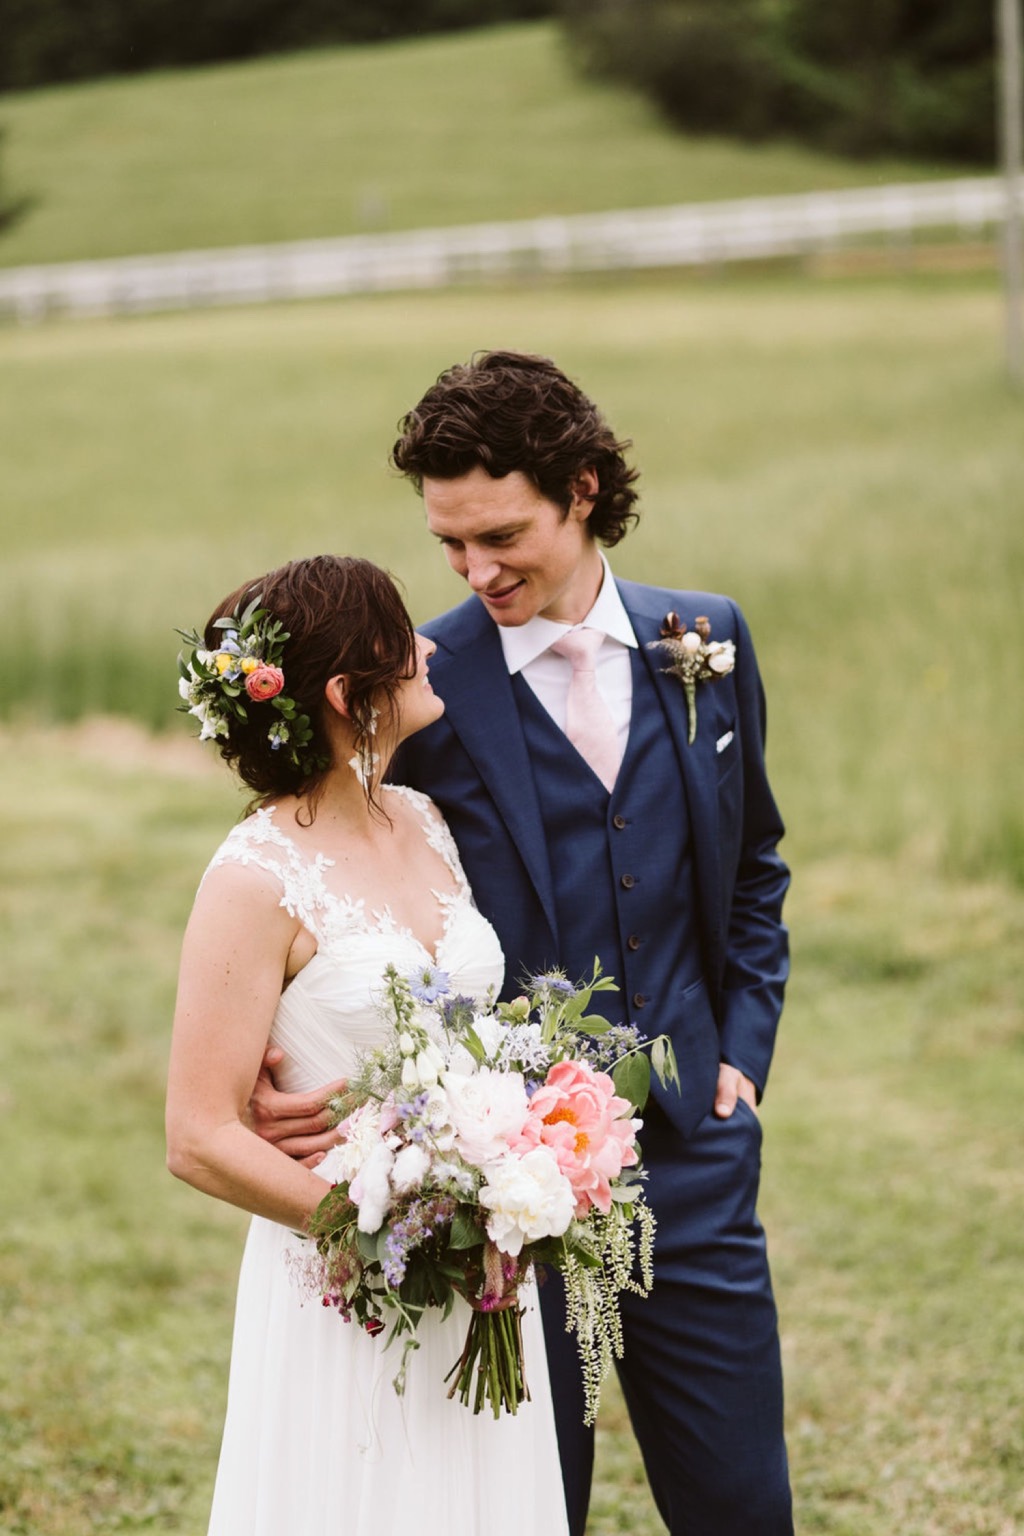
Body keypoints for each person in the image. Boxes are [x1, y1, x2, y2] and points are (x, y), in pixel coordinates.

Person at [252, 353, 793, 1536]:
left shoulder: (708, 640)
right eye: (449, 543)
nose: (474, 569)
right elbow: (293, 850)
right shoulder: (421, 690)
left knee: (742, 1505)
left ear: (582, 490)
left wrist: (740, 1055)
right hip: (498, 1183)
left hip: (697, 1165)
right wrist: (265, 1039)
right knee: (525, 1508)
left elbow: (754, 870)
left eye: (500, 534)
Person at [165, 554, 569, 1536]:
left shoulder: (426, 821)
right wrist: (380, 1231)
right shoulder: (254, 875)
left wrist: (505, 1178)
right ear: (350, 694)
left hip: (480, 1261)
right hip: (345, 1278)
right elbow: (198, 1135)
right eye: (403, 642)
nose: (429, 648)